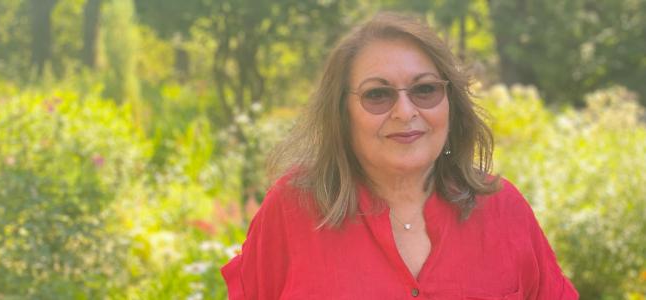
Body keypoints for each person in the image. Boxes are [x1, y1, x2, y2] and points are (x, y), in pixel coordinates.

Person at [221, 12, 579, 299]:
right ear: (341, 112)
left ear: (450, 103)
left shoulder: (505, 210)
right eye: (378, 95)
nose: (405, 112)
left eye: (425, 90)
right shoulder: (290, 210)